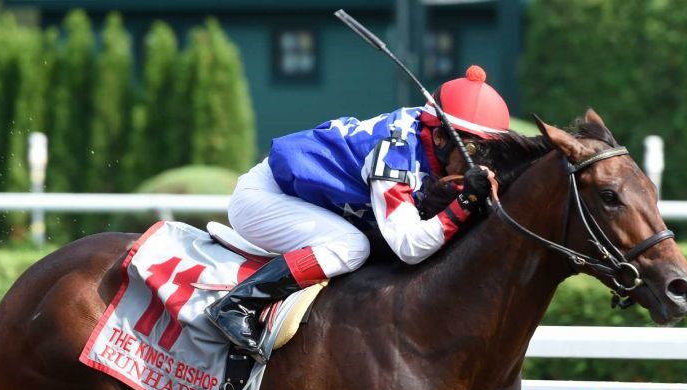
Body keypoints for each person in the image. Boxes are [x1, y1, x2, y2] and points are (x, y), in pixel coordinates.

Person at [206, 65, 510, 361]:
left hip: (309, 202)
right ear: (441, 136)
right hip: (265, 200)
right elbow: (410, 248)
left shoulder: (428, 136)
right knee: (353, 246)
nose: (479, 164)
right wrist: (466, 201)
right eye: (472, 150)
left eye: (489, 152)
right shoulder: (395, 154)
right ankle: (238, 304)